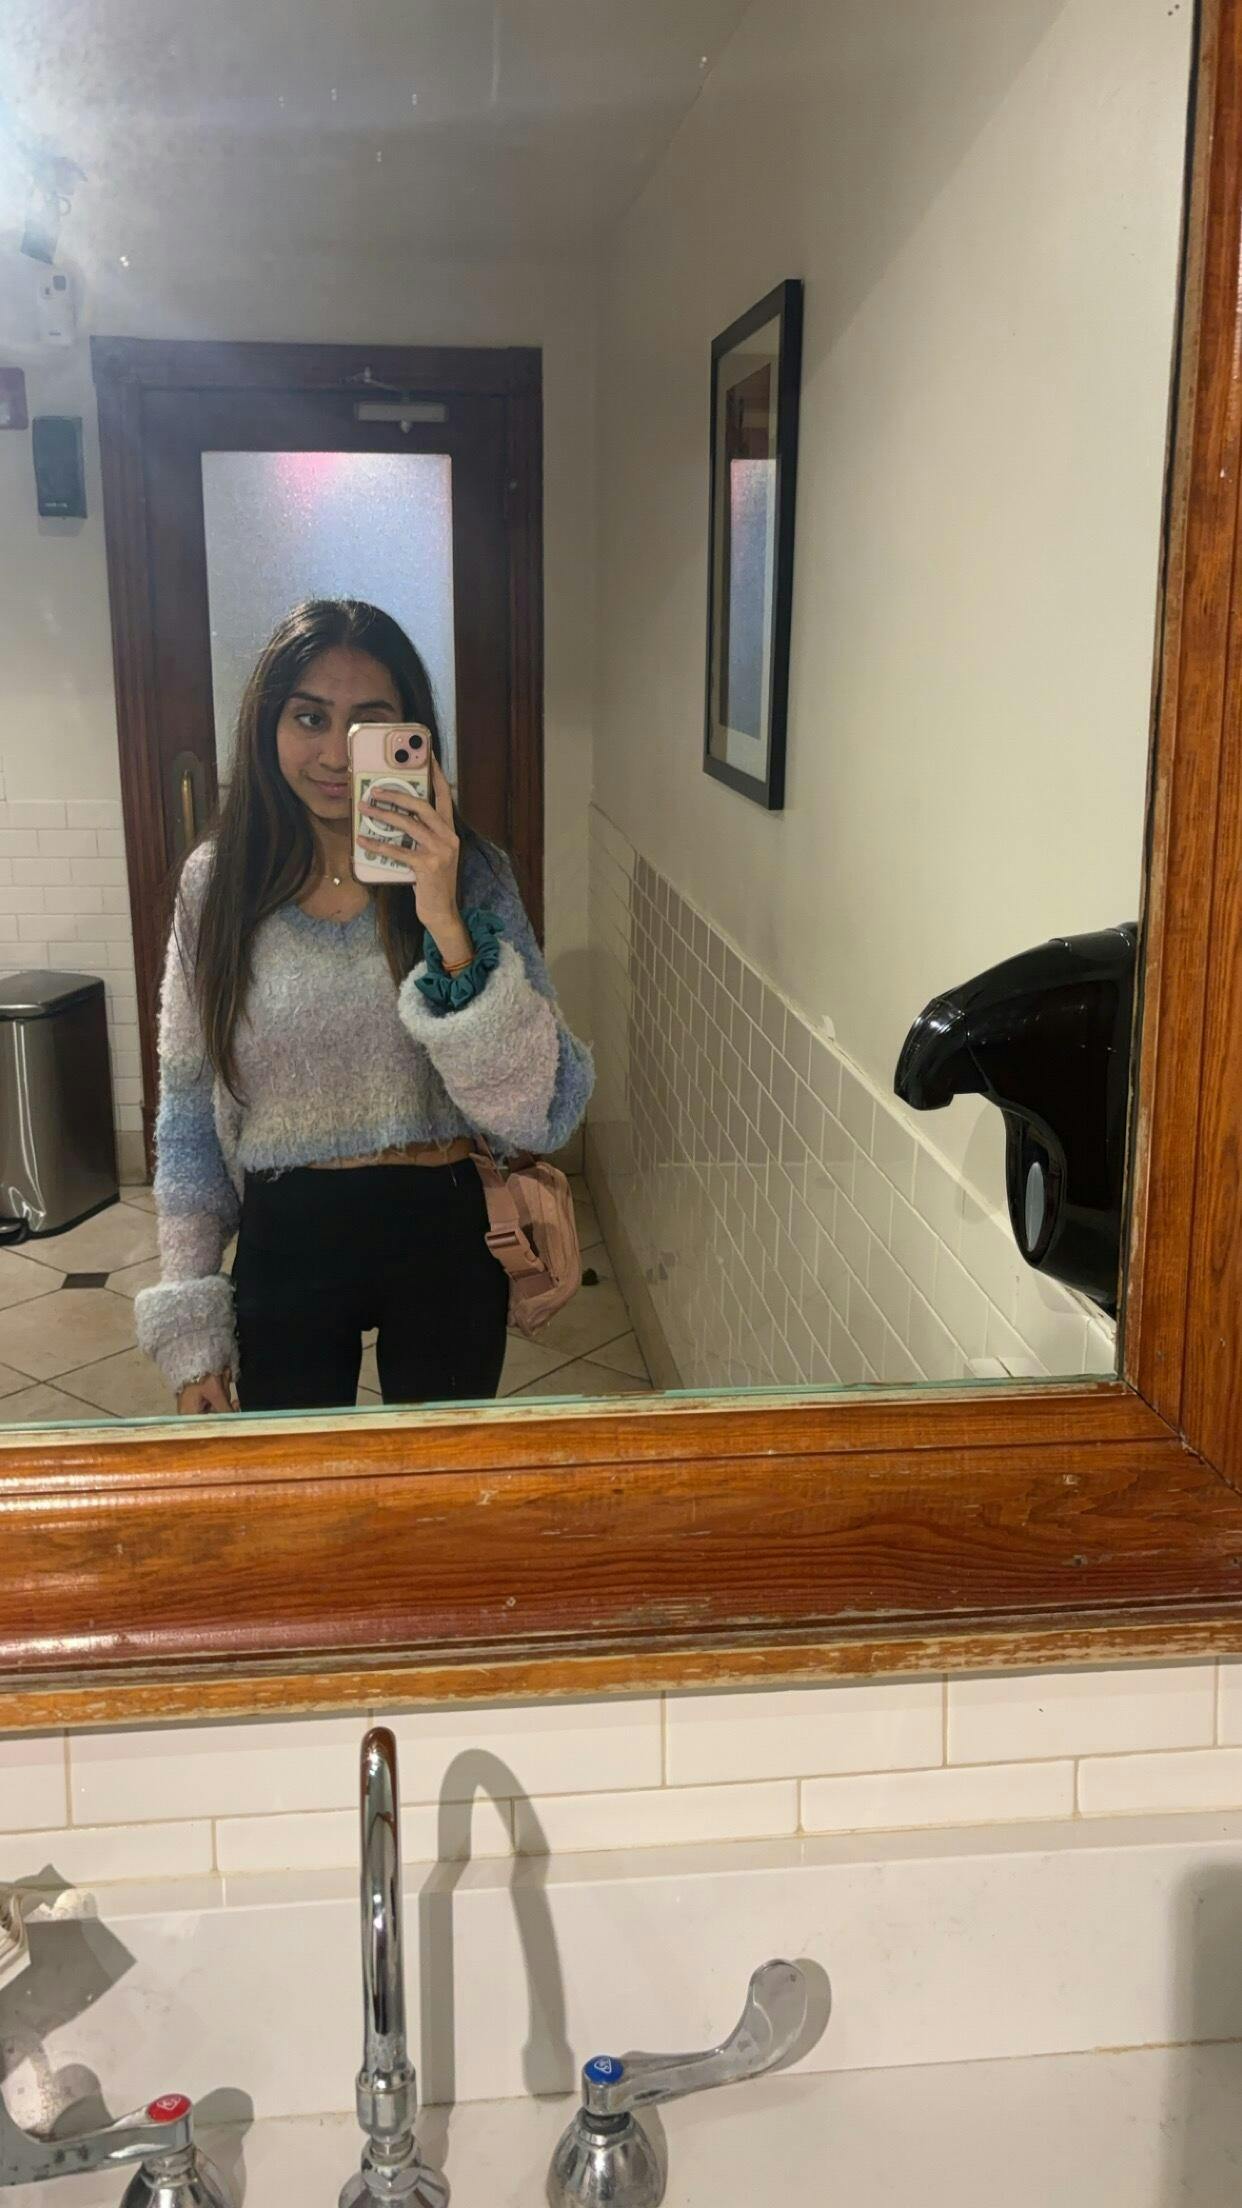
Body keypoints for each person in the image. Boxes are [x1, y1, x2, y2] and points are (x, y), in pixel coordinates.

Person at [135, 597, 592, 1415]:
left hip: (445, 1230)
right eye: (310, 717)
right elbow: (188, 1115)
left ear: (412, 739)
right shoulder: (219, 886)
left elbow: (539, 1110)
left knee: (436, 1480)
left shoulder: (473, 876)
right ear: (269, 725)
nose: (335, 755)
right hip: (288, 1235)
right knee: (301, 1481)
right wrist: (191, 1324)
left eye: (369, 725)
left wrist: (446, 920)